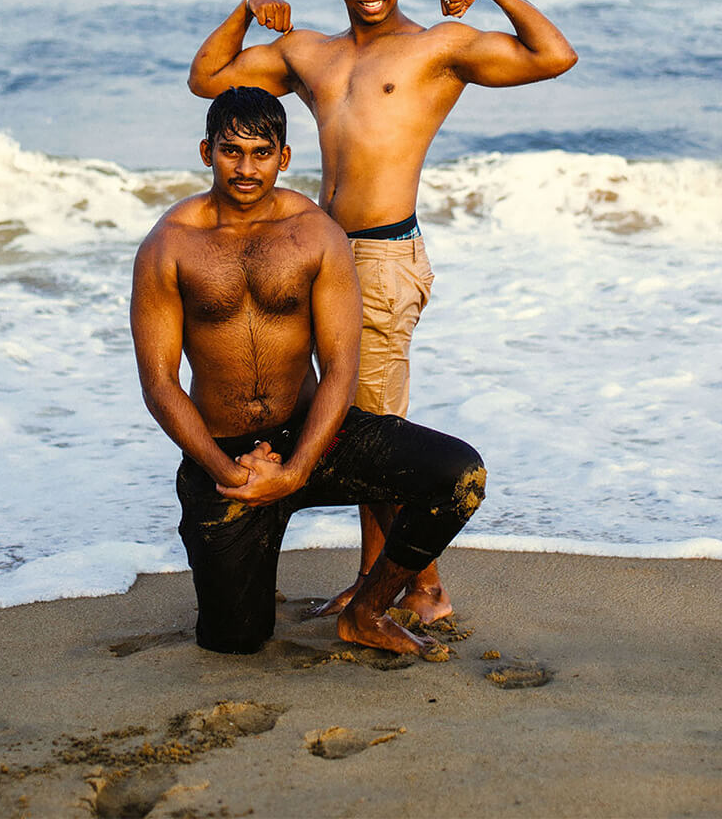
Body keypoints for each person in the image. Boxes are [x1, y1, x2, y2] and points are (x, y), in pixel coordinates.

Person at [187, 0, 577, 618]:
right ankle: (379, 581)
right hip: (314, 257)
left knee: (372, 429)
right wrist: (248, 9)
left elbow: (554, 56)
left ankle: (414, 590)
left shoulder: (437, 49)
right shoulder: (310, 54)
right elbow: (207, 78)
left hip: (380, 255)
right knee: (329, 420)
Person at [130, 86, 486, 657]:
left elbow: (341, 366)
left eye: (261, 153)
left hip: (313, 439)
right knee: (236, 641)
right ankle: (249, 550)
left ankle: (368, 611)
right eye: (231, 151)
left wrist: (295, 471)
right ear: (206, 151)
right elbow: (159, 384)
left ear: (285, 157)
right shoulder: (169, 246)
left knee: (458, 475)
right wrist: (233, 474)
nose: (247, 168)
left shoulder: (315, 233)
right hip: (223, 459)